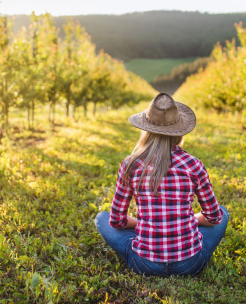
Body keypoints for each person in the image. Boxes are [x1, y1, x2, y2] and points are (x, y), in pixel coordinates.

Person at [94, 92, 229, 276]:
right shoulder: (193, 164)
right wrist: (189, 220)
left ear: (146, 130)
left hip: (144, 264)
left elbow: (116, 221)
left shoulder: (130, 165)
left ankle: (147, 241)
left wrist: (146, 224)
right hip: (190, 264)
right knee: (223, 212)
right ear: (179, 132)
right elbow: (214, 217)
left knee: (102, 217)